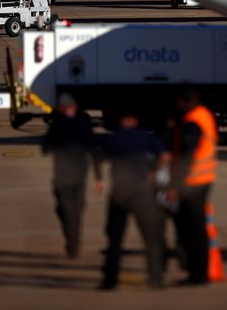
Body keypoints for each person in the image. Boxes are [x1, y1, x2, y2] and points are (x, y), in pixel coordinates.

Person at [99, 109, 165, 290]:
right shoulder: (146, 137)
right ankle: (156, 277)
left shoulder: (113, 138)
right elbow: (163, 156)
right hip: (142, 192)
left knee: (115, 239)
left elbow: (99, 155)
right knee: (151, 237)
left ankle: (110, 280)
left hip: (120, 192)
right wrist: (153, 173)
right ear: (136, 120)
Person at [166, 89, 218, 285]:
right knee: (196, 230)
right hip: (203, 179)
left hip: (193, 183)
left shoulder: (192, 122)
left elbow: (187, 157)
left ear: (182, 101)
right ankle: (197, 272)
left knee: (193, 231)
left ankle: (197, 274)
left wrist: (175, 186)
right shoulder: (204, 115)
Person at [41, 92, 102, 259]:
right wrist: (99, 177)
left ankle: (72, 242)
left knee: (64, 210)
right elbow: (94, 150)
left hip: (62, 176)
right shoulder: (84, 125)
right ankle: (74, 241)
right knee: (76, 209)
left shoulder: (56, 126)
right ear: (74, 107)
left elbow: (45, 149)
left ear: (60, 109)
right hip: (79, 175)